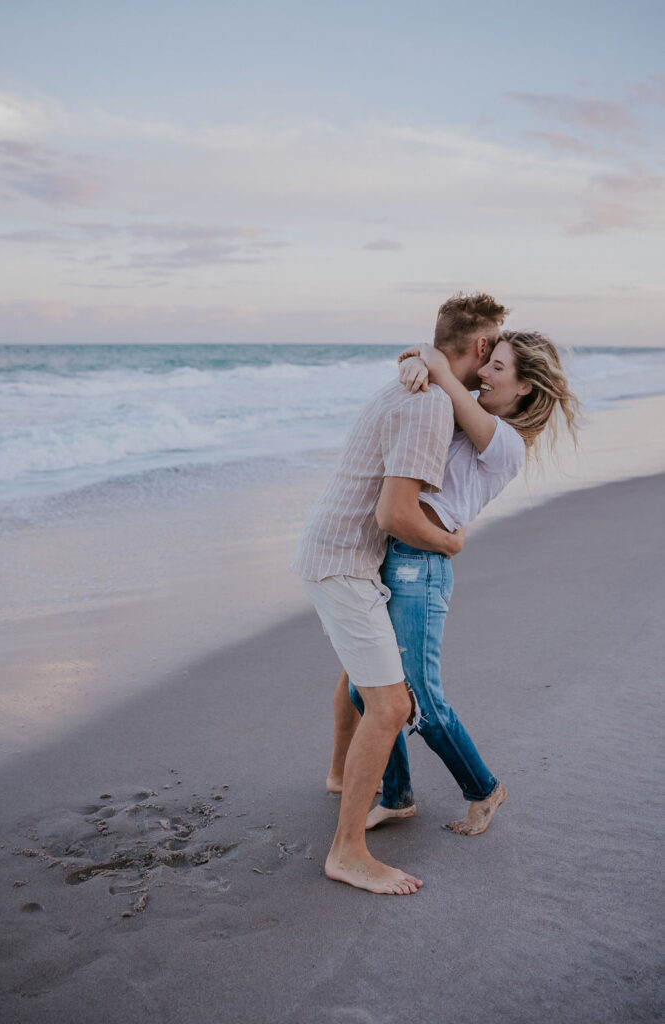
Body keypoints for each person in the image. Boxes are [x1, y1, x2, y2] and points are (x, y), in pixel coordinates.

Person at [292, 292, 509, 895]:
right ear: (483, 346)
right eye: (493, 353)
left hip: (330, 552)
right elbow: (394, 516)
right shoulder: (429, 406)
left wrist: (418, 358)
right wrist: (452, 544)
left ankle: (342, 776)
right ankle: (348, 853)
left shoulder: (415, 386)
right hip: (347, 563)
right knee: (391, 705)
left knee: (357, 674)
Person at [327, 330, 580, 838]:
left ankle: (484, 790)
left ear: (526, 387)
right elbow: (432, 357)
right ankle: (397, 795)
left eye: (499, 368)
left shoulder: (506, 444)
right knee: (364, 685)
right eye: (488, 363)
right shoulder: (468, 421)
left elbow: (446, 369)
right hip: (393, 555)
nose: (484, 373)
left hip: (420, 566)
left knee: (420, 695)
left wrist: (432, 362)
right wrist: (418, 360)